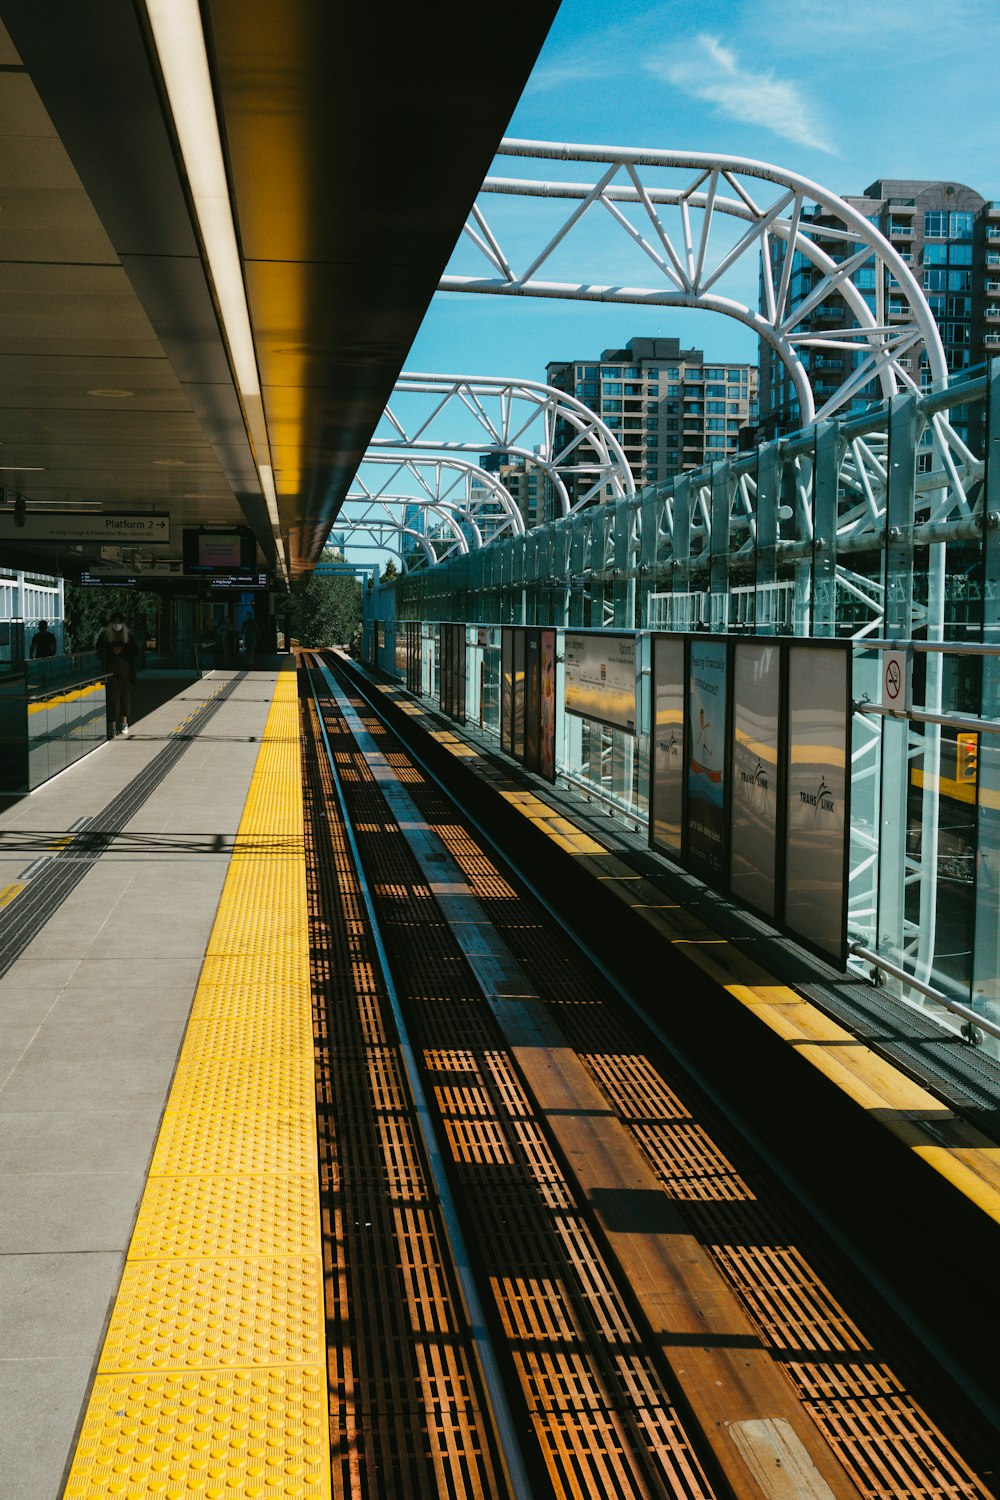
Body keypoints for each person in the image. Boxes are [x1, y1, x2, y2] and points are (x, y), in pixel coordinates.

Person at [95, 611, 139, 738]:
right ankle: (112, 727)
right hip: (111, 673)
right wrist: (112, 650)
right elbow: (99, 651)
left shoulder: (128, 636)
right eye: (115, 622)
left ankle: (124, 723)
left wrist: (122, 651)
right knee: (112, 700)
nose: (117, 625)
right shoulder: (105, 636)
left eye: (120, 622)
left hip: (125, 673)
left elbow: (135, 653)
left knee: (125, 699)